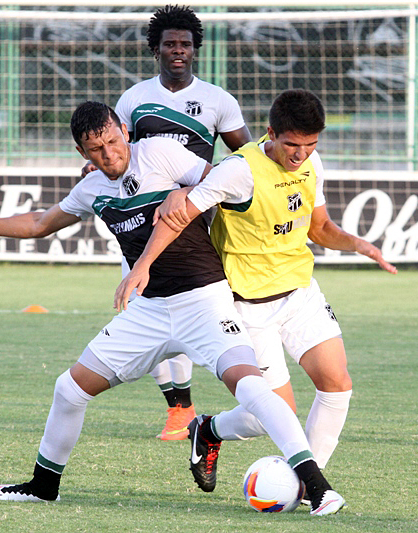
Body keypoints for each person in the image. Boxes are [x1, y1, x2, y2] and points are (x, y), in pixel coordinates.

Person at [0, 101, 344, 516]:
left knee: (252, 387)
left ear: (125, 132)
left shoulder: (159, 152)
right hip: (148, 312)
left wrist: (182, 192)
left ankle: (317, 488)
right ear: (82, 152)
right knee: (69, 389)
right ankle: (43, 487)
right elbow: (40, 223)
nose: (109, 154)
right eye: (96, 150)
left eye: (113, 141)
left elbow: (219, 180)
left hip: (205, 300)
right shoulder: (92, 189)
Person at [115, 89, 397, 504]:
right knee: (271, 417)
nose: (301, 154)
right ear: (271, 133)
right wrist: (142, 265)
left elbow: (319, 228)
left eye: (310, 144)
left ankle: (306, 487)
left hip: (299, 292)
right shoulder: (239, 170)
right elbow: (180, 215)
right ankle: (209, 429)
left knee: (337, 384)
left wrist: (358, 244)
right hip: (248, 305)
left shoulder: (311, 162)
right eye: (292, 145)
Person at [84, 4, 253, 441]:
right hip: (143, 223)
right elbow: (116, 149)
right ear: (155, 50)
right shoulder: (134, 99)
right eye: (170, 44)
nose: (178, 50)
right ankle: (179, 408)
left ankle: (238, 382)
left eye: (185, 44)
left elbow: (245, 158)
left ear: (195, 49)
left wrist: (194, 187)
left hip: (198, 219)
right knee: (143, 303)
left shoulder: (219, 100)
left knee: (200, 304)